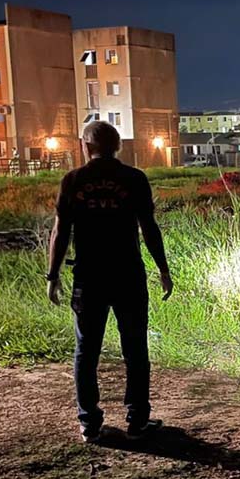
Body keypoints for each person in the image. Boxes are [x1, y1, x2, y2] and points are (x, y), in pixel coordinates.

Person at [46, 121, 174, 444]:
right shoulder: (134, 179)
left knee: (86, 351)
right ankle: (138, 421)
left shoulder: (73, 181)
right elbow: (149, 228)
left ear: (85, 146)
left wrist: (53, 275)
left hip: (89, 277)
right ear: (118, 147)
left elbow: (61, 232)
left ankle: (89, 424)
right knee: (135, 348)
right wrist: (163, 269)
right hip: (128, 274)